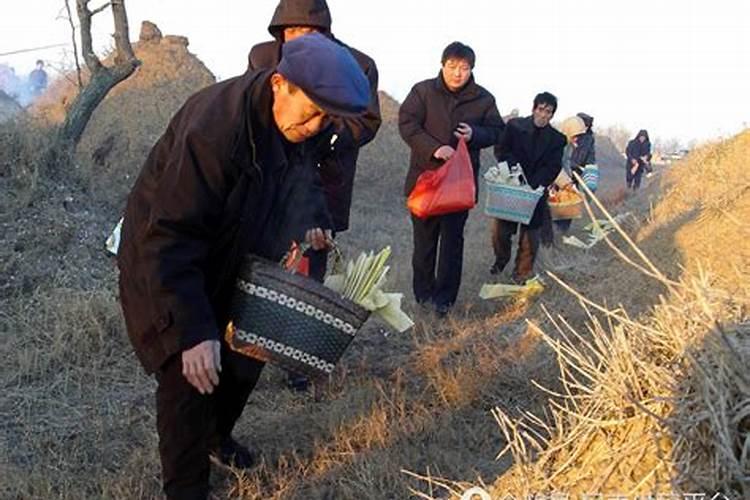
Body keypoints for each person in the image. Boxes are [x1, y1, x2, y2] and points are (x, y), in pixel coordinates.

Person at [117, 33, 370, 500]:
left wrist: (314, 221)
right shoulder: (215, 129)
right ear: (280, 84)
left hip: (237, 251)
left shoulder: (293, 126)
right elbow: (171, 233)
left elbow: (302, 179)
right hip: (167, 255)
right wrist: (192, 329)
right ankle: (187, 486)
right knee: (190, 373)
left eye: (325, 117)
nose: (315, 126)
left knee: (247, 352)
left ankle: (218, 436)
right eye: (311, 112)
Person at [247, 0, 381, 391]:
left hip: (326, 178)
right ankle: (252, 344)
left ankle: (297, 360)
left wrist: (323, 136)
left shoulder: (359, 63)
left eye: (307, 33)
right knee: (263, 261)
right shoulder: (263, 57)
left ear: (325, 33)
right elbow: (252, 107)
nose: (298, 41)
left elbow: (366, 120)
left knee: (310, 271)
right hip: (272, 177)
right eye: (290, 33)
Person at [399, 41, 504, 316]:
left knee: (452, 244)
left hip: (458, 186)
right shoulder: (422, 92)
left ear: (471, 70)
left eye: (464, 68)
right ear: (442, 65)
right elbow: (407, 124)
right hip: (425, 181)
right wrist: (434, 148)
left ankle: (444, 302)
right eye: (453, 66)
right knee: (424, 243)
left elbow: (497, 131)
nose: (458, 73)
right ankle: (423, 297)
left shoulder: (484, 99)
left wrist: (475, 135)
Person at [490, 92, 567, 282]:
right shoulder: (515, 126)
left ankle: (521, 273)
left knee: (531, 236)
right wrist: (513, 170)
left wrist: (536, 184)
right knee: (501, 230)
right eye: (541, 109)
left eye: (548, 112)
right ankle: (501, 259)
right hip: (511, 184)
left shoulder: (557, 139)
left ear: (552, 115)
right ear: (534, 109)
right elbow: (501, 150)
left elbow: (554, 166)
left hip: (536, 190)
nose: (543, 115)